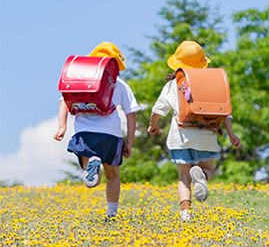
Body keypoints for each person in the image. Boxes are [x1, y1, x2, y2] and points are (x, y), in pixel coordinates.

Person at [147, 40, 243, 222]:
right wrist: (231, 134)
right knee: (208, 171)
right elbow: (225, 112)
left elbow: (157, 111)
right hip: (207, 135)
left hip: (180, 136)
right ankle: (201, 175)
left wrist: (153, 126)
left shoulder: (173, 85)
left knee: (183, 177)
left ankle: (185, 213)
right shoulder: (213, 82)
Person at [54, 42, 140, 221]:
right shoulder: (119, 84)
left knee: (92, 181)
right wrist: (129, 142)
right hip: (111, 134)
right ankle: (111, 214)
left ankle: (91, 166)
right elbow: (131, 115)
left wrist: (62, 127)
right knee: (113, 175)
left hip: (84, 133)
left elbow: (64, 101)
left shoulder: (81, 80)